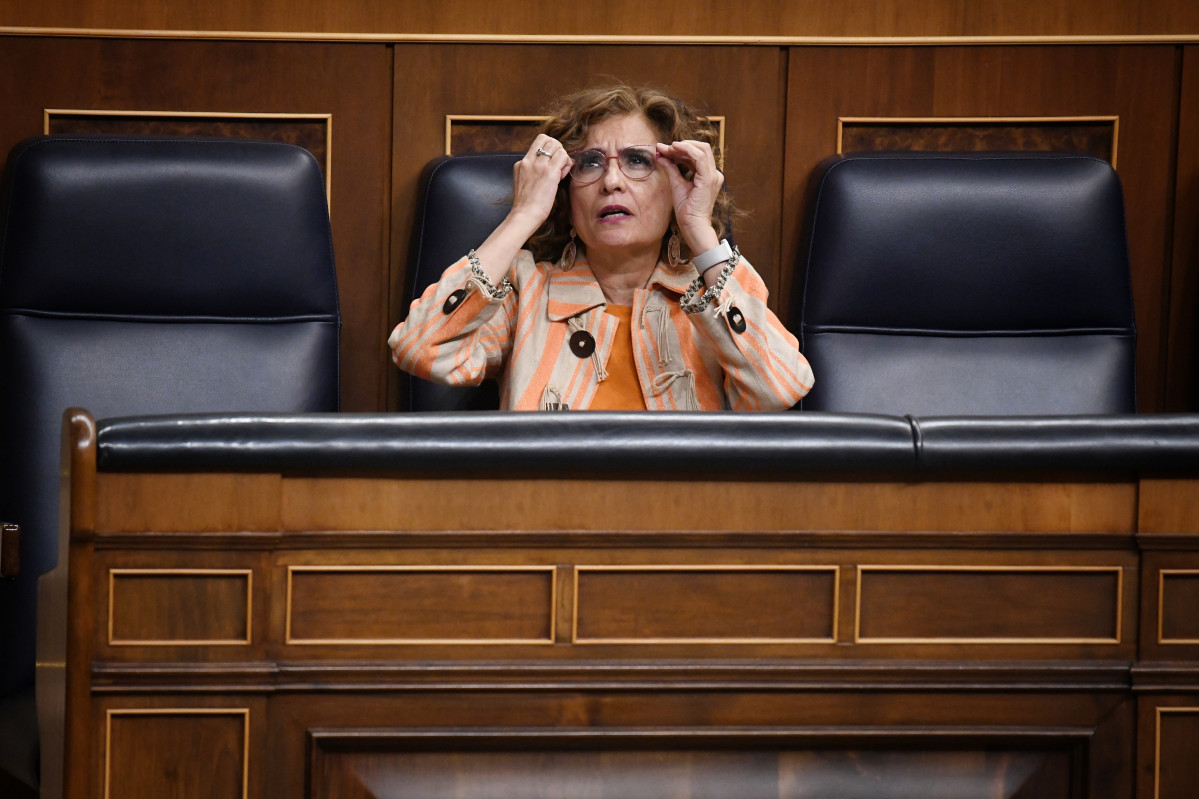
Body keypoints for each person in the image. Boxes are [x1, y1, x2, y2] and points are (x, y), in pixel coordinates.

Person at [389, 82, 813, 411]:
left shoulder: (710, 296)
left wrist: (698, 228)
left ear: (676, 186)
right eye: (590, 162)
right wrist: (523, 215)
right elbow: (420, 349)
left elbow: (781, 389)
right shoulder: (526, 289)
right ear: (566, 194)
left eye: (637, 161)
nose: (611, 181)